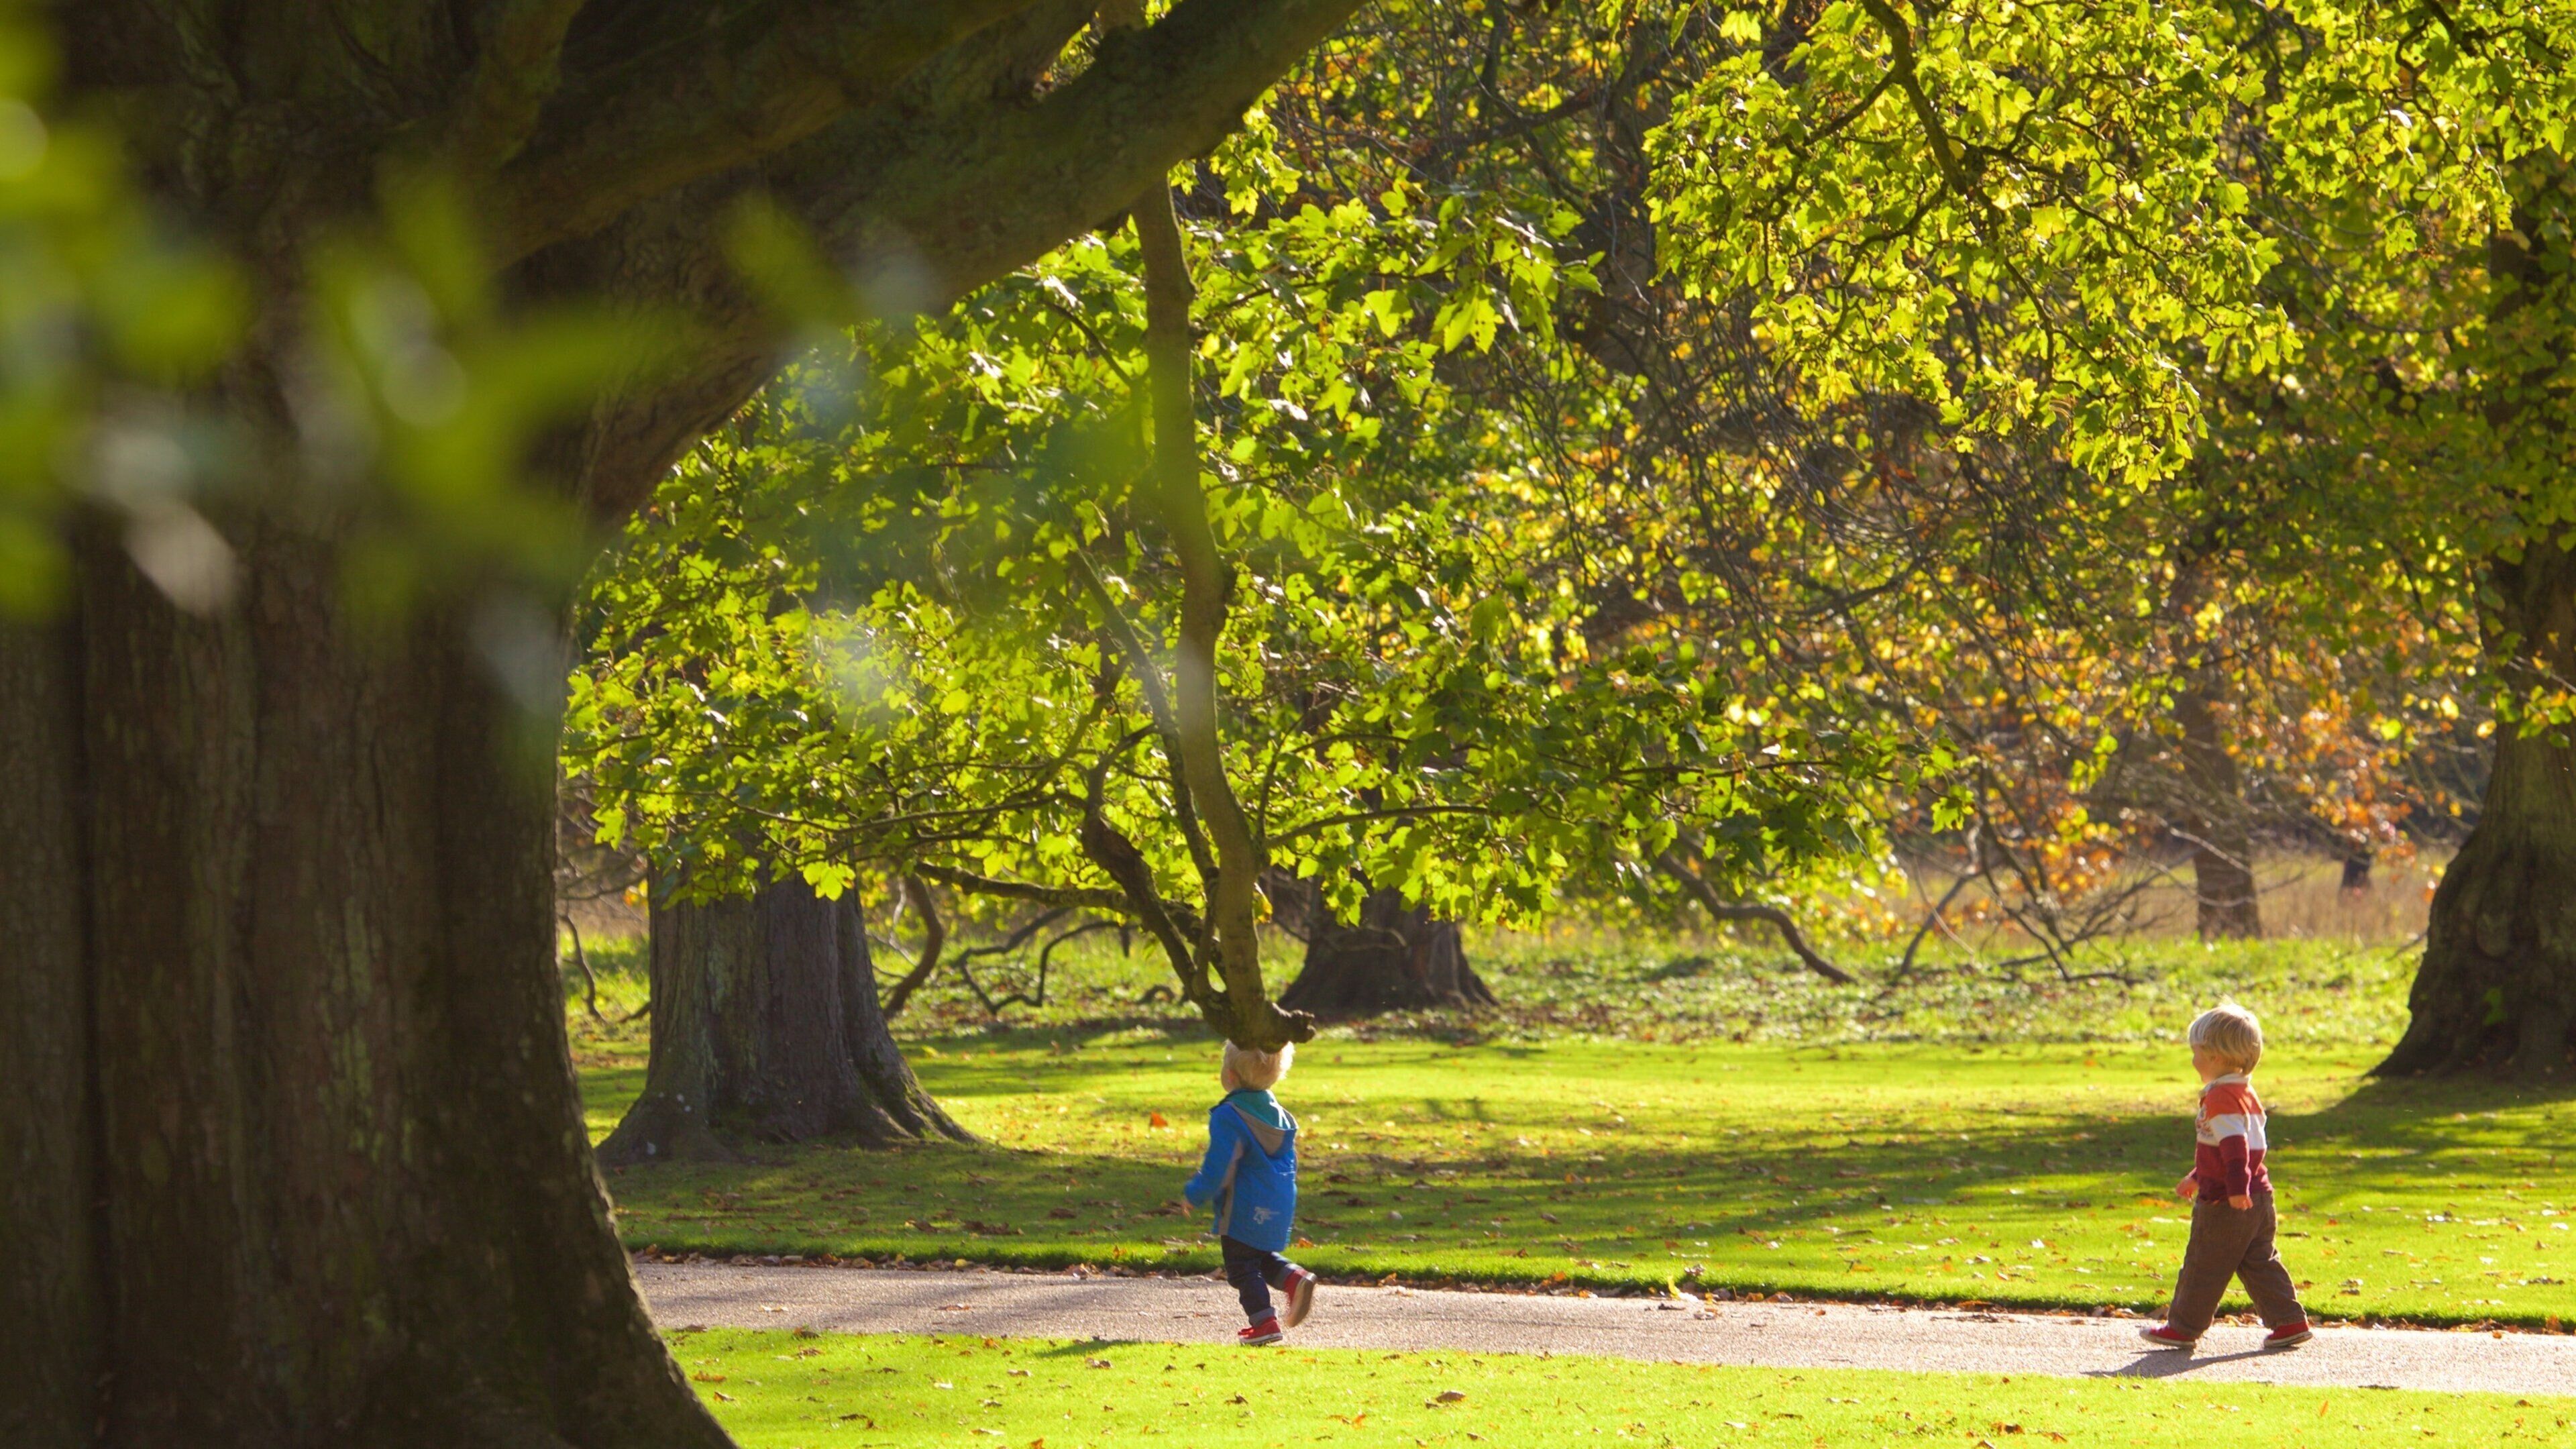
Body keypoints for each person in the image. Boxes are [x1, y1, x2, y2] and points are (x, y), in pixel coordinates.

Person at [2138, 1002, 2315, 1351]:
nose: (2193, 1061)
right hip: (2260, 1196)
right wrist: (2197, 1176)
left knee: (2204, 1264)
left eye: (2196, 1053)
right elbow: (2238, 1149)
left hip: (2227, 1200)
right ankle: (2289, 1322)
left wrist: (2234, 1188)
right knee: (2258, 1260)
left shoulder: (2220, 1097)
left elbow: (2235, 1148)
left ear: (2215, 1056)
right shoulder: (2245, 1092)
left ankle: (2183, 1328)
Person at [1181, 1040, 1318, 1346]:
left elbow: (1219, 1166)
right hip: (1278, 1201)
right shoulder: (1280, 1115)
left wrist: (1194, 1193)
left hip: (1243, 1205)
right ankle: (1294, 1278)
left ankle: (1264, 1322)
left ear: (1230, 1075)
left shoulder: (1229, 1116)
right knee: (1259, 1257)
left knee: (1241, 1268)